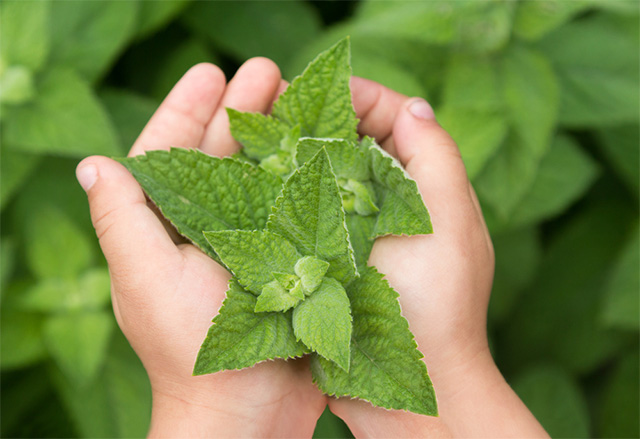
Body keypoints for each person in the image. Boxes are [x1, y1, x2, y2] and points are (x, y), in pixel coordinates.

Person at [76, 58, 549, 438]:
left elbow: (314, 199)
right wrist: (449, 380)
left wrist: (215, 404)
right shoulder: (304, 233)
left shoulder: (316, 215)